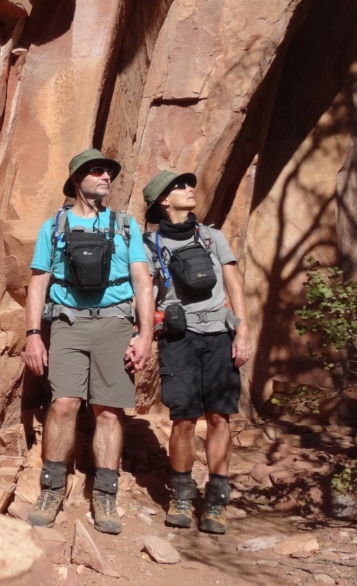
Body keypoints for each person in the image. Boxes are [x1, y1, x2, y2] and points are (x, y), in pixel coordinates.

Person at [23, 148, 155, 535]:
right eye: (96, 171)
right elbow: (38, 283)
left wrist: (145, 335)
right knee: (63, 404)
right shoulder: (55, 226)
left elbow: (143, 283)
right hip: (67, 323)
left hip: (115, 324)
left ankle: (105, 494)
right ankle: (51, 488)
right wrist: (33, 335)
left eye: (108, 173)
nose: (105, 177)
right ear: (77, 179)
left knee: (109, 412)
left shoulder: (126, 226)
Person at [139, 170, 252, 534]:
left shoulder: (212, 237)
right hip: (178, 338)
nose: (191, 190)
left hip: (219, 333)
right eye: (180, 187)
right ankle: (182, 495)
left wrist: (243, 330)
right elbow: (145, 293)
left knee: (220, 417)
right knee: (183, 419)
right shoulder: (149, 245)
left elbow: (234, 283)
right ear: (163, 201)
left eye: (190, 186)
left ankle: (216, 500)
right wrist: (144, 332)